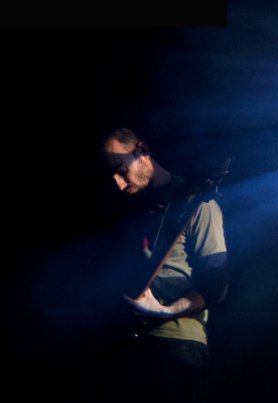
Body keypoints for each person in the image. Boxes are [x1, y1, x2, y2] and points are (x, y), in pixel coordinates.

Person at [94, 128, 229, 403]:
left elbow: (217, 285)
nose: (118, 184)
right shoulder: (132, 212)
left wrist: (166, 311)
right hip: (128, 347)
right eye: (112, 177)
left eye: (122, 170)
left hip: (177, 348)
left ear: (142, 151)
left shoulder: (198, 204)